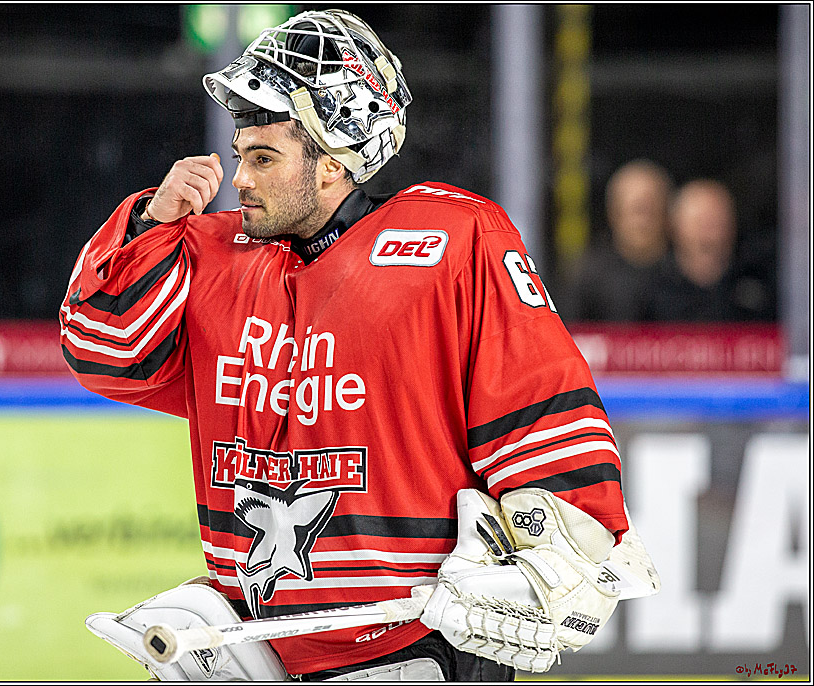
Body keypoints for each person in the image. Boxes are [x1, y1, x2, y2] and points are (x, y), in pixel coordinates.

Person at [61, 9, 631, 681]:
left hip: (422, 646)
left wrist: (564, 544)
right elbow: (103, 349)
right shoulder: (214, 257)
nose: (238, 178)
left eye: (264, 158)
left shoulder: (449, 242)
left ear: (335, 160)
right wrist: (152, 224)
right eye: (242, 155)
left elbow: (537, 404)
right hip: (260, 647)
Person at [563, 159, 672, 321]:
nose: (643, 221)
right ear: (614, 213)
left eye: (650, 209)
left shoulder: (684, 272)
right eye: (636, 210)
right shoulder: (587, 276)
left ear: (666, 212)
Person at [644, 179, 765, 321]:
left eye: (716, 222)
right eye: (700, 222)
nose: (709, 233)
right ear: (675, 227)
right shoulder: (652, 290)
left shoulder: (759, 280)